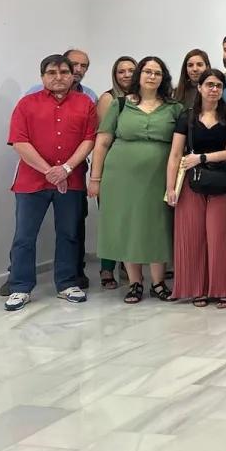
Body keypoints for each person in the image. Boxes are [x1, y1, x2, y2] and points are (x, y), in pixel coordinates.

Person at [3, 54, 97, 311]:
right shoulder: (26, 104)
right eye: (52, 73)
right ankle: (20, 287)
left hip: (71, 180)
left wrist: (65, 169)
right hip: (31, 181)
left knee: (69, 233)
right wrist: (49, 171)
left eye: (64, 72)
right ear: (42, 76)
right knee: (24, 235)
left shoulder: (85, 103)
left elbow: (89, 139)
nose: (59, 77)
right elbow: (19, 141)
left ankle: (67, 283)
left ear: (72, 75)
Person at [89, 55, 182, 304]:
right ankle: (135, 283)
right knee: (128, 225)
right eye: (147, 71)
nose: (152, 76)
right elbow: (102, 141)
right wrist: (95, 178)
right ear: (139, 75)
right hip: (121, 177)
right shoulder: (119, 104)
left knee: (158, 225)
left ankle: (158, 283)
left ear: (164, 79)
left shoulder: (174, 108)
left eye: (157, 73)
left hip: (159, 176)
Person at [166, 68, 226, 308]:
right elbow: (175, 154)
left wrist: (201, 158)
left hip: (222, 181)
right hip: (191, 183)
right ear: (199, 88)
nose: (214, 89)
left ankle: (223, 289)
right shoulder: (186, 117)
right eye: (209, 85)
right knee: (193, 236)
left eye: (218, 85)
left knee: (218, 236)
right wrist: (170, 188)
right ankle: (197, 289)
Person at [95, 55, 136, 289]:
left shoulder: (143, 99)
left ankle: (126, 264)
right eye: (122, 71)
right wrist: (97, 176)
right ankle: (107, 268)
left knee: (131, 220)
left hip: (135, 171)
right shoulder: (108, 99)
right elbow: (104, 138)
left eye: (131, 70)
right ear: (115, 75)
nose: (127, 74)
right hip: (113, 168)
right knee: (111, 219)